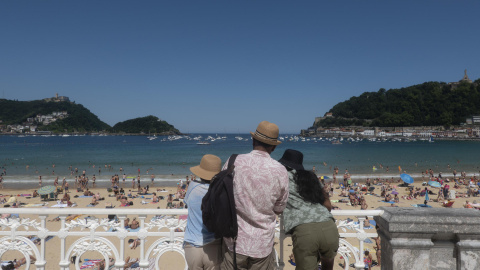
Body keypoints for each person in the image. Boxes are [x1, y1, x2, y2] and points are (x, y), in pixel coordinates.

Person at [222, 121, 288, 270]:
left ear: (253, 140)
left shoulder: (233, 162)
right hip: (262, 243)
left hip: (234, 240)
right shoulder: (280, 171)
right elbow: (279, 208)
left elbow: (222, 196)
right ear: (274, 147)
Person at [280, 149, 339, 270]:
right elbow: (328, 205)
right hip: (329, 227)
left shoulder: (281, 178)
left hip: (305, 231)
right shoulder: (311, 178)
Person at [183, 154, 223, 270]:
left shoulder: (192, 186)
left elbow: (187, 203)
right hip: (213, 245)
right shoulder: (220, 191)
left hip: (192, 246)